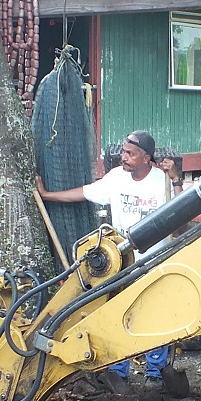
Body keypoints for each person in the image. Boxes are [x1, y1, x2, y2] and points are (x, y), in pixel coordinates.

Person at [37, 130, 180, 379]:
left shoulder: (162, 181)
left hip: (153, 261)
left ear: (146, 158)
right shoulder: (116, 178)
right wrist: (48, 195)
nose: (123, 157)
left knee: (155, 314)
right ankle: (117, 371)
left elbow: (179, 216)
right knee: (117, 313)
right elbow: (83, 192)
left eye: (130, 153)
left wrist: (176, 179)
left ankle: (155, 373)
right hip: (120, 262)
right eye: (124, 151)